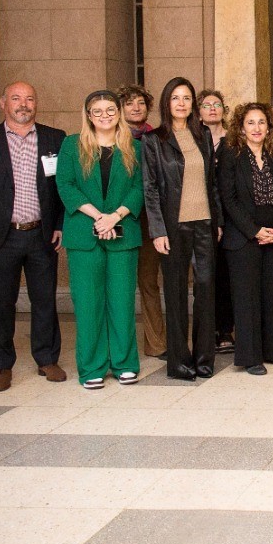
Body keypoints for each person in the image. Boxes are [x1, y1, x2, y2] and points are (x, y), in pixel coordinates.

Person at [0, 83, 67, 392]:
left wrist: (59, 223)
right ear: (4, 103)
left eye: (30, 98)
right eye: (16, 98)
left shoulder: (54, 139)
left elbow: (63, 187)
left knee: (45, 300)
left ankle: (46, 358)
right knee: (0, 303)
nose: (24, 104)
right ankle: (2, 365)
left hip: (42, 236)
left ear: (36, 103)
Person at [56, 90, 144, 389]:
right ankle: (92, 366)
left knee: (121, 302)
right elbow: (65, 185)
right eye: (98, 111)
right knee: (88, 303)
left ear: (118, 113)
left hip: (123, 233)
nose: (105, 115)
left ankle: (124, 363)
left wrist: (115, 216)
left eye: (110, 110)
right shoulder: (71, 145)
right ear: (88, 115)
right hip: (83, 235)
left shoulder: (133, 147)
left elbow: (139, 189)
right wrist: (98, 217)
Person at [142, 77, 222, 381]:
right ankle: (178, 362)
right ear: (167, 102)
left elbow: (211, 184)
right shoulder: (154, 140)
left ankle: (204, 360)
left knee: (205, 291)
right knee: (175, 294)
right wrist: (157, 230)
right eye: (175, 98)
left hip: (204, 224)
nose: (181, 103)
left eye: (187, 98)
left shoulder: (203, 136)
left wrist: (218, 223)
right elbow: (149, 189)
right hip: (172, 227)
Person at [217, 103, 273, 375]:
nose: (257, 128)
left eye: (262, 122)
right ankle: (250, 358)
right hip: (243, 237)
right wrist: (253, 230)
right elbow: (228, 198)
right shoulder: (230, 154)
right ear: (241, 127)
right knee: (247, 297)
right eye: (251, 122)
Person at [119, 83, 164, 359]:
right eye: (129, 104)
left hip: (149, 221)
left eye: (141, 103)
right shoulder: (112, 139)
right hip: (122, 220)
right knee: (121, 284)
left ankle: (157, 343)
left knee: (148, 282)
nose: (136, 108)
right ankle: (122, 346)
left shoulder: (157, 138)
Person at [198, 88, 235, 356]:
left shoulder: (235, 140)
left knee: (226, 275)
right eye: (206, 104)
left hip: (232, 217)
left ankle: (225, 330)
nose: (212, 108)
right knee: (205, 275)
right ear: (198, 111)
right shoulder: (192, 140)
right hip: (201, 215)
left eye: (217, 104)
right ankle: (206, 330)